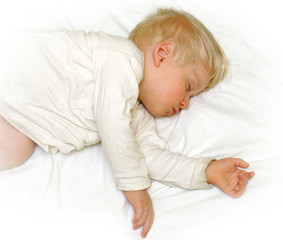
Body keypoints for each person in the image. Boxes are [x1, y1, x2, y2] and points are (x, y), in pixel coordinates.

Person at [0, 8, 254, 238]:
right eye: (188, 87)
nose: (185, 103)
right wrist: (133, 185)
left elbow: (149, 158)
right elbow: (112, 123)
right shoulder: (121, 59)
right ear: (162, 54)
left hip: (15, 110)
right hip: (12, 65)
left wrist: (205, 171)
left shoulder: (136, 115)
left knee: (18, 147)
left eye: (191, 97)